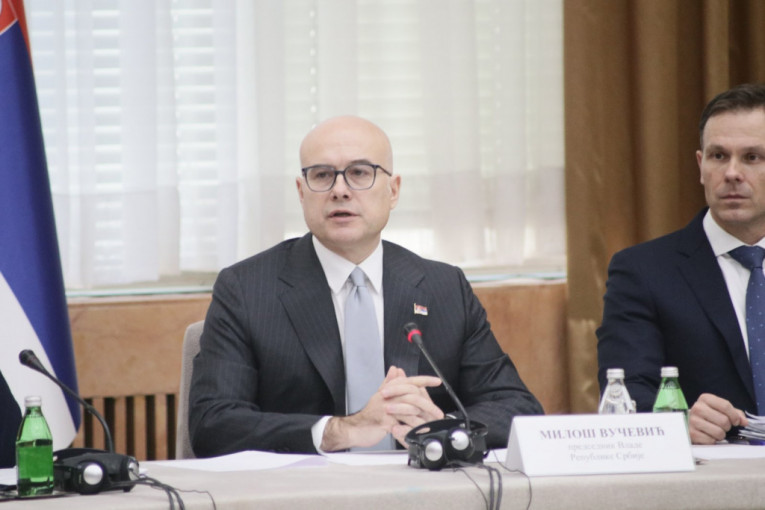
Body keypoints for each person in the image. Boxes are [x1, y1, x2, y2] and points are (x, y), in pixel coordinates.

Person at [188, 115, 543, 456]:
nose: (340, 190)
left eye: (359, 173)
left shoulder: (444, 288)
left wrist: (444, 428)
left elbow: (519, 409)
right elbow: (213, 424)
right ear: (301, 192)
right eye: (322, 175)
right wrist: (340, 431)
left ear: (393, 190)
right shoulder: (246, 289)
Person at [597, 83, 765, 444]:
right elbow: (626, 393)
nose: (732, 173)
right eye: (719, 156)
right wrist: (677, 422)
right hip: (713, 468)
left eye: (752, 157)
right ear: (701, 166)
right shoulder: (643, 272)